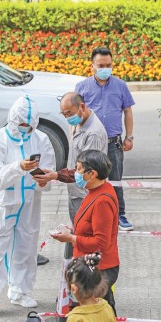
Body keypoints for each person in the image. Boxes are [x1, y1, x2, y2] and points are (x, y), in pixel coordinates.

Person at [0, 95, 55, 320]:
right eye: (22, 125)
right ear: (13, 121)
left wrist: (43, 179)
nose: (25, 130)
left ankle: (20, 291)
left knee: (27, 247)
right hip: (3, 203)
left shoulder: (41, 139)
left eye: (29, 127)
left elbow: (48, 168)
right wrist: (18, 167)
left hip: (30, 202)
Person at [32, 92, 108, 264]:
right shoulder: (78, 124)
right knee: (79, 235)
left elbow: (88, 171)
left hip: (86, 195)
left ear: (82, 107)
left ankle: (88, 278)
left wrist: (56, 175)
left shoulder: (93, 133)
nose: (67, 118)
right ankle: (79, 272)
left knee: (87, 240)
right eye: (64, 114)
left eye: (69, 113)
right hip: (76, 193)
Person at [50, 150, 120, 315]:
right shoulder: (97, 191)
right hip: (92, 264)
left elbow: (100, 243)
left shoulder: (102, 200)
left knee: (99, 312)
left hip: (100, 268)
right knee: (101, 310)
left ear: (92, 174)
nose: (76, 173)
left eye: (79, 169)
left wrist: (72, 238)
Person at [75, 47, 136, 231]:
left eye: (109, 65)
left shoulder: (120, 85)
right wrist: (75, 138)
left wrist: (129, 137)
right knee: (89, 180)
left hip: (113, 143)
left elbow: (127, 111)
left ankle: (120, 215)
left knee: (115, 181)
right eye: (101, 65)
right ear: (92, 66)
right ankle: (90, 215)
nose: (105, 69)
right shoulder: (82, 87)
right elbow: (77, 114)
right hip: (91, 144)